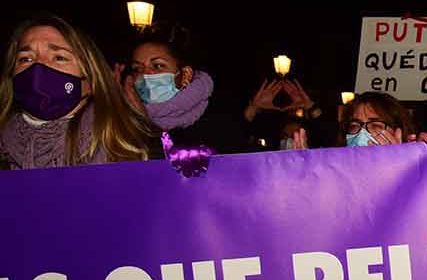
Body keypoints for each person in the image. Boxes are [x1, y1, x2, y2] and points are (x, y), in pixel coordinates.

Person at [0, 14, 152, 169]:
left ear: (90, 77)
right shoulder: (5, 149)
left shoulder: (128, 148)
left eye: (59, 57)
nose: (38, 66)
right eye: (26, 59)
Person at [129, 23, 249, 154]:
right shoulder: (127, 121)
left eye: (157, 66)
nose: (145, 75)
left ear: (185, 75)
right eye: (137, 69)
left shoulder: (218, 120)